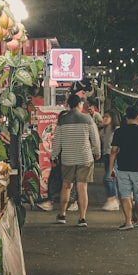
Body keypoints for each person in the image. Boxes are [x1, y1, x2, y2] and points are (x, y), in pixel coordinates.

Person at [50, 93, 100, 227]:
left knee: (66, 186)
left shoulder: (62, 120)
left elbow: (57, 141)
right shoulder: (87, 118)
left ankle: (62, 215)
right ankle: (82, 218)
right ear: (79, 104)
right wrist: (97, 152)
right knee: (82, 187)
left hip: (68, 158)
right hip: (85, 157)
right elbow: (95, 137)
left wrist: (54, 155)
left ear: (68, 105)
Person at [99, 109, 120, 210]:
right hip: (106, 155)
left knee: (108, 178)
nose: (104, 119)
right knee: (111, 178)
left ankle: (112, 199)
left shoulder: (117, 129)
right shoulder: (105, 129)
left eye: (107, 117)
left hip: (114, 156)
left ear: (112, 118)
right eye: (104, 117)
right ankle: (113, 200)